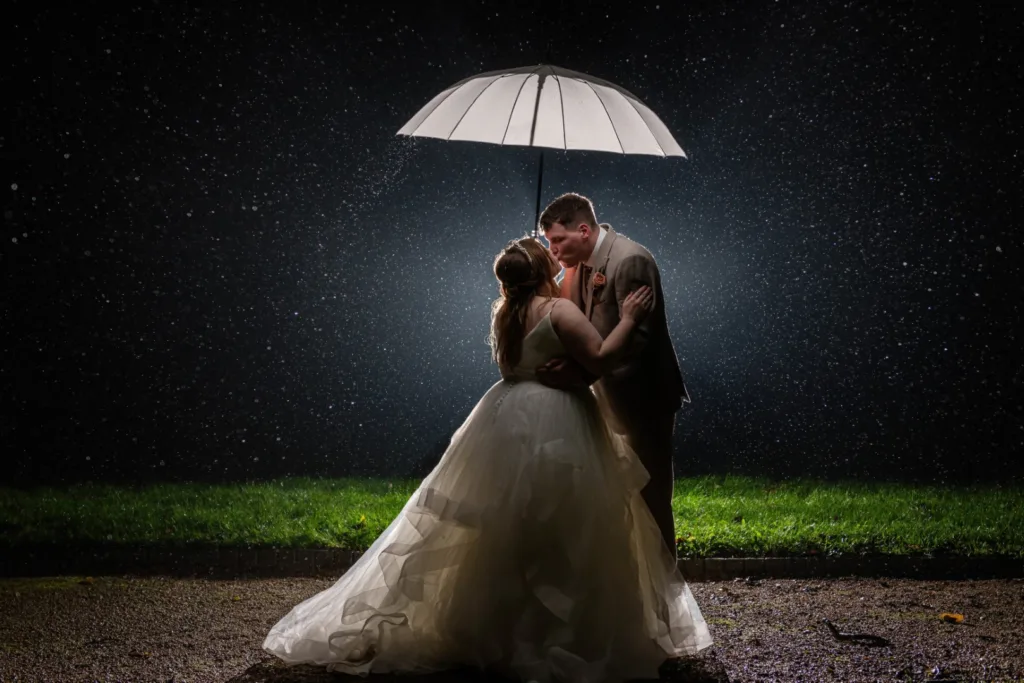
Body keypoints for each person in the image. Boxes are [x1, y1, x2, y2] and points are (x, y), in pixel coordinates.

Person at [263, 237, 711, 683]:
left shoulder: (504, 314)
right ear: (540, 272)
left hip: (505, 414)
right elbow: (600, 355)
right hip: (555, 418)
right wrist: (630, 318)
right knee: (564, 520)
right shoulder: (559, 311)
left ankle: (495, 623)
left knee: (503, 521)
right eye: (550, 262)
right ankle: (557, 631)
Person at [536, 193, 689, 557]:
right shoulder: (580, 265)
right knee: (616, 496)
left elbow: (636, 341)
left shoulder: (631, 260)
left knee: (649, 497)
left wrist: (580, 374)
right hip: (606, 399)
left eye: (558, 240)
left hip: (642, 401)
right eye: (549, 243)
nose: (554, 250)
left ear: (584, 230)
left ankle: (665, 593)